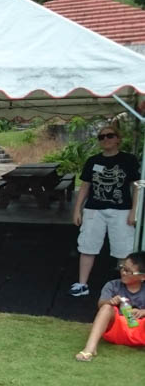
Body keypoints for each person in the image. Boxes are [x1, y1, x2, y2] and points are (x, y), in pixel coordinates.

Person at [70, 125, 139, 297]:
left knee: (124, 249)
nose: (105, 139)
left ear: (118, 139)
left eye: (109, 136)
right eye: (101, 137)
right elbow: (85, 186)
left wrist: (134, 211)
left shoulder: (128, 160)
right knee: (87, 245)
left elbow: (137, 187)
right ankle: (82, 283)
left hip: (121, 209)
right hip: (94, 209)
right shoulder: (93, 161)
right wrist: (77, 209)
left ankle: (128, 288)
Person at [75, 251, 145, 361]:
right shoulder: (113, 285)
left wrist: (143, 312)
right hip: (116, 328)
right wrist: (110, 302)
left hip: (140, 331)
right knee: (106, 308)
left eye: (129, 271)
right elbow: (100, 304)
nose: (124, 272)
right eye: (123, 268)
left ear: (142, 277)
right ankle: (90, 349)